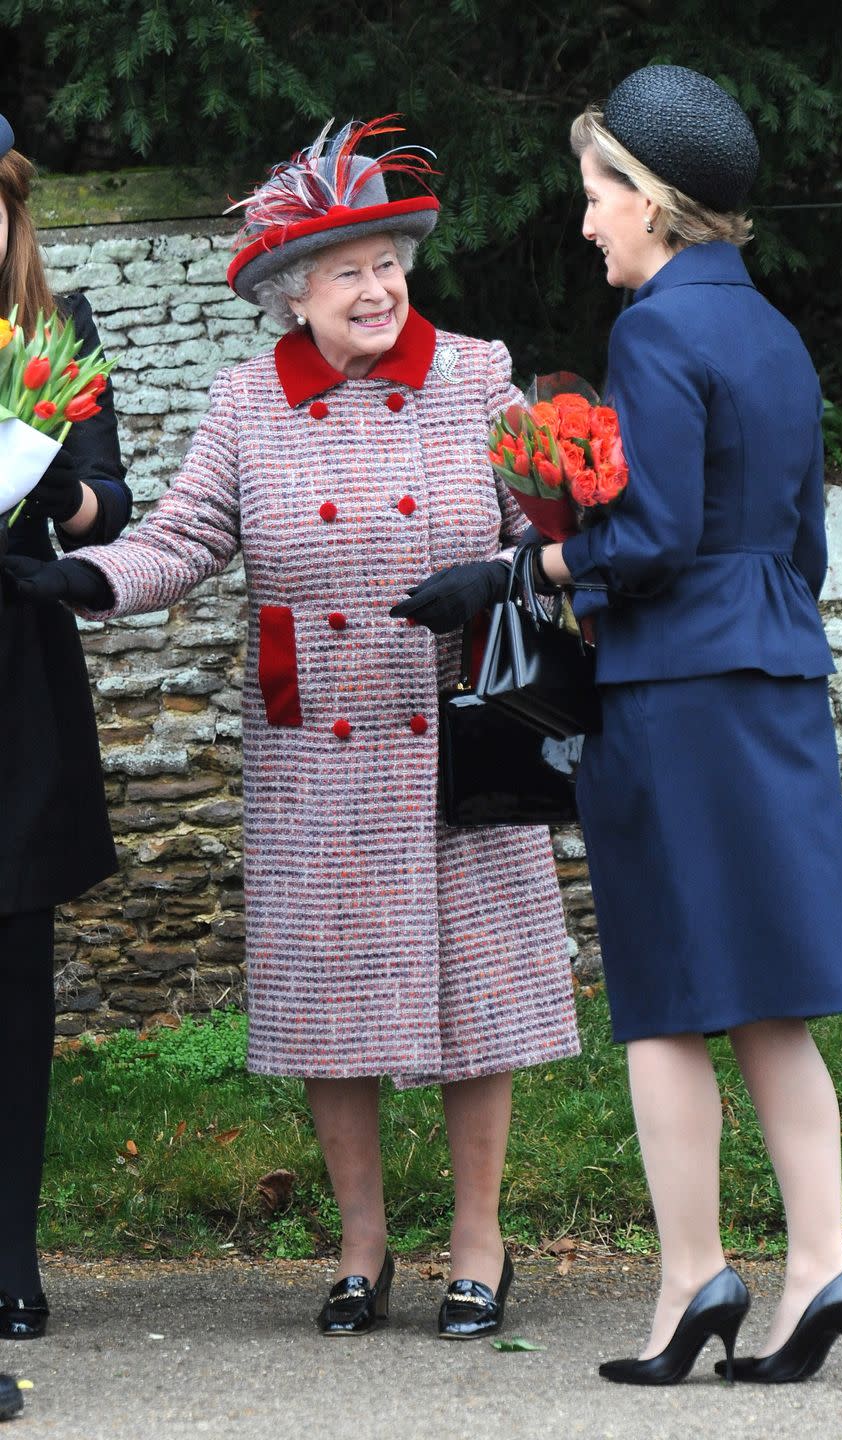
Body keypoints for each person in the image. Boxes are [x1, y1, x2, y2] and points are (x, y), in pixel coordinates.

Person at [2, 117, 580, 1340]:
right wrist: (89, 579)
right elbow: (185, 539)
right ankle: (361, 1249)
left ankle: (479, 1243)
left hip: (460, 730)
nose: (376, 289)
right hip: (319, 743)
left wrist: (502, 571)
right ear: (288, 293)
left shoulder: (479, 373)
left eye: (388, 261)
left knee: (476, 993)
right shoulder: (246, 405)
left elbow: (552, 523)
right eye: (344, 270)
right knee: (336, 1002)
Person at [531, 66, 842, 1385]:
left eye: (593, 197)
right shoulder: (773, 334)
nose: (583, 225)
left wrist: (538, 566)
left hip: (675, 691)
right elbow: (797, 544)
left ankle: (691, 1281)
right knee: (771, 999)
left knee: (669, 999)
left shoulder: (655, 335)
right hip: (774, 677)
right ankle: (819, 1263)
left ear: (652, 204)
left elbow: (656, 534)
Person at [0, 113, 131, 1340]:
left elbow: (112, 504)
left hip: (13, 671)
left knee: (15, 982)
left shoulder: (54, 333)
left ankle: (11, 1250)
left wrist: (56, 486)